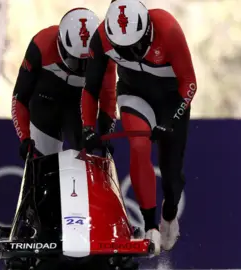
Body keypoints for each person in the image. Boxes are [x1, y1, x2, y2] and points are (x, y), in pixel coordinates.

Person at [80, 0, 197, 255]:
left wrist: (169, 121)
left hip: (171, 99)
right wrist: (88, 126)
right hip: (134, 94)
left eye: (136, 45)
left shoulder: (167, 28)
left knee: (172, 176)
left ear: (148, 31)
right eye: (124, 48)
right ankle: (150, 226)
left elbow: (189, 83)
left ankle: (168, 214)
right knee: (139, 146)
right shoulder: (100, 39)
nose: (131, 52)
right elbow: (91, 89)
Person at [11, 7, 117, 160]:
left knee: (86, 156)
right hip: (45, 101)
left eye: (88, 62)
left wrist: (106, 135)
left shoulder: (106, 55)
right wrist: (25, 138)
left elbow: (108, 99)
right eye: (75, 61)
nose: (82, 69)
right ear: (60, 44)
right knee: (43, 163)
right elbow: (20, 97)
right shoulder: (41, 45)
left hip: (78, 106)